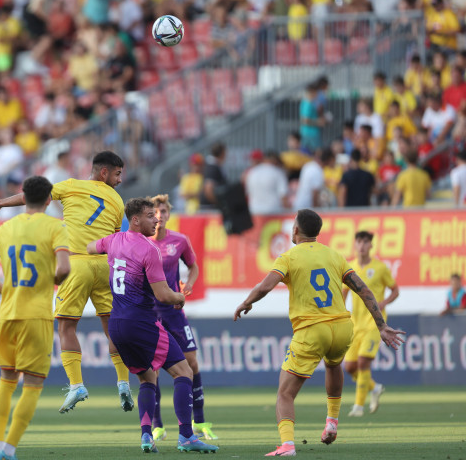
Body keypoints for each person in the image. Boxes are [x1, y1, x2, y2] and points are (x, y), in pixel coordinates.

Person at [233, 209, 404, 457]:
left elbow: (266, 286)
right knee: (334, 366)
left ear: (295, 230)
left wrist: (247, 302)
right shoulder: (335, 255)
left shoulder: (288, 257)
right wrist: (381, 325)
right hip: (343, 328)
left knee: (285, 392)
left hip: (312, 330)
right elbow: (363, 289)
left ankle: (287, 445)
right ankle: (332, 423)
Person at [0, 151, 133, 413]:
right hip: (105, 266)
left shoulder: (71, 186)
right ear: (104, 172)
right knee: (112, 329)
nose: (120, 180)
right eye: (118, 174)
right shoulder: (117, 200)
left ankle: (76, 385)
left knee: (66, 327)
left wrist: (0, 203)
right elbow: (116, 239)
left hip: (76, 264)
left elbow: (35, 196)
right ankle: (123, 383)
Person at [87, 197, 219, 454]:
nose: (155, 219)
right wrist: (180, 297)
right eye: (149, 215)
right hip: (142, 322)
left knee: (148, 378)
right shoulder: (150, 249)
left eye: (156, 214)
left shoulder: (113, 241)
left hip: (117, 325)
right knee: (184, 371)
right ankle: (187, 436)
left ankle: (146, 436)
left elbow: (90, 247)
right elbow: (163, 295)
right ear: (135, 220)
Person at [0, 176, 71, 460]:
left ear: (24, 198)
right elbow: (64, 269)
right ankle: (9, 449)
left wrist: (6, 290)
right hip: (36, 315)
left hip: (8, 314)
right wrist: (51, 279)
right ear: (48, 199)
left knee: (6, 380)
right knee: (32, 384)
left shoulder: (6, 228)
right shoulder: (56, 227)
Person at [147, 194, 217, 442]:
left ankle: (199, 421)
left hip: (174, 313)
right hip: (151, 313)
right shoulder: (142, 242)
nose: (159, 216)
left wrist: (188, 285)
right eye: (155, 212)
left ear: (168, 214)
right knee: (152, 370)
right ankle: (157, 425)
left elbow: (194, 266)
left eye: (163, 211)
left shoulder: (179, 240)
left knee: (191, 364)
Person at [343, 231, 399, 417]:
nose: (362, 245)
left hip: (375, 323)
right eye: (359, 241)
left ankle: (358, 407)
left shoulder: (380, 268)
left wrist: (384, 303)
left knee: (363, 362)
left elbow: (395, 290)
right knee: (350, 367)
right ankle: (374, 388)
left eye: (366, 242)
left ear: (371, 245)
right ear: (355, 244)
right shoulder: (349, 267)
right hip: (355, 324)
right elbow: (343, 293)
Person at [244, 150, 289, 214]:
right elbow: (283, 197)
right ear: (275, 160)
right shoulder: (278, 173)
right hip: (273, 213)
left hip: (254, 212)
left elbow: (247, 194)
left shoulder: (251, 173)